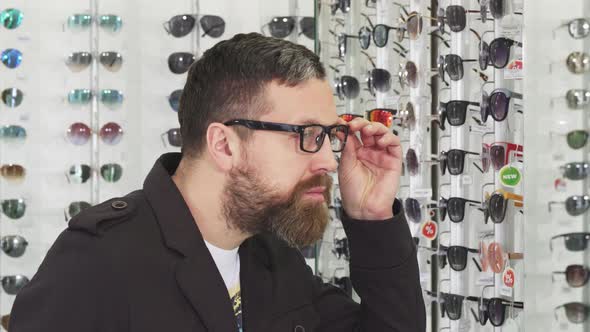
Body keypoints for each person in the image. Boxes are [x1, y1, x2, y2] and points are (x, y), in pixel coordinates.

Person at [9, 33, 425, 332]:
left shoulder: (274, 261)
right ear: (224, 145)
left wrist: (371, 216)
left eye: (330, 136)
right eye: (306, 135)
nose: (328, 161)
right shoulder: (99, 261)